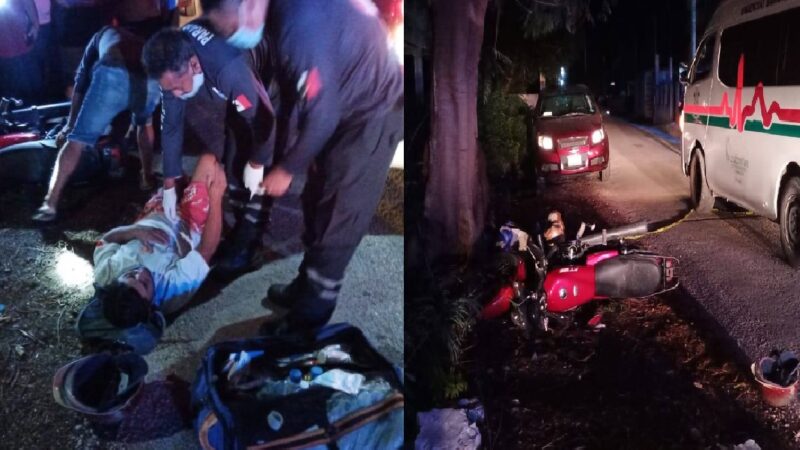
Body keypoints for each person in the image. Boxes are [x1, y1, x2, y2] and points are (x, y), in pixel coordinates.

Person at [202, 0, 403, 334]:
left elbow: (323, 113)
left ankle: (312, 313)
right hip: (344, 102)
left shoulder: (300, 26)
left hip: (373, 111)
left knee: (340, 211)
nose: (234, 36)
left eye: (232, 27)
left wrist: (287, 167)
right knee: (316, 197)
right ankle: (306, 285)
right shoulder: (281, 14)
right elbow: (305, 99)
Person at [32, 7, 164, 222]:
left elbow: (80, 85)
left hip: (113, 74)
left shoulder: (98, 37)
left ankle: (50, 203)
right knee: (143, 123)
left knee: (77, 141)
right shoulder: (135, 38)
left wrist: (71, 125)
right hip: (149, 76)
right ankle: (146, 178)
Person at [140, 24, 273, 228]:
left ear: (194, 65)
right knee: (232, 151)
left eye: (176, 87)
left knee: (251, 152)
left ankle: (254, 230)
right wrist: (169, 184)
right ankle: (239, 211)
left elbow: (264, 122)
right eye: (168, 89)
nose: (175, 94)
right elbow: (171, 126)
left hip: (266, 66)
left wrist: (257, 163)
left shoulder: (228, 70)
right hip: (223, 71)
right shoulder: (172, 64)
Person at [94, 154, 225, 327]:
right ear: (150, 303)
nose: (140, 272)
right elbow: (207, 250)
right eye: (145, 283)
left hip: (153, 213)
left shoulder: (106, 275)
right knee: (209, 162)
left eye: (130, 274)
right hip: (187, 222)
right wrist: (216, 197)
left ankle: (181, 186)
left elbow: (107, 239)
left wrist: (135, 231)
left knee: (172, 166)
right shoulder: (174, 290)